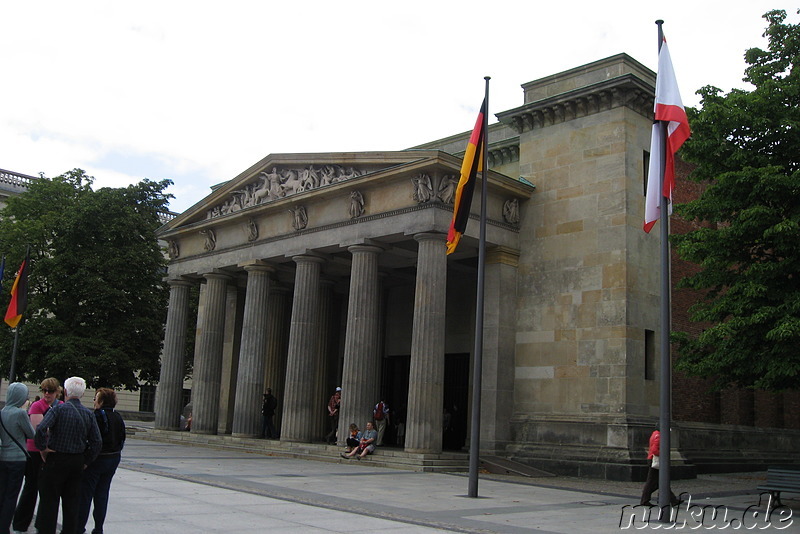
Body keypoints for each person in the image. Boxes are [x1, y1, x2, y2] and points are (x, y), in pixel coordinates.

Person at [34, 376, 102, 534]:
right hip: (77, 460)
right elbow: (97, 441)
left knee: (49, 502)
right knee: (72, 504)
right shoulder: (88, 414)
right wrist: (86, 460)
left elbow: (41, 428)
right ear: (83, 394)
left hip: (56, 458)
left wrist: (42, 448)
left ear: (64, 391)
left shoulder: (58, 409)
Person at [13, 377, 62, 533]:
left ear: (57, 392)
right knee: (31, 488)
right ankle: (20, 525)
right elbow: (39, 431)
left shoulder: (61, 406)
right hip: (35, 452)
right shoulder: (37, 405)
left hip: (52, 453)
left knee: (48, 492)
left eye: (50, 391)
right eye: (44, 390)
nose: (47, 394)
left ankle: (42, 526)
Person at [78, 388, 126, 534]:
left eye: (95, 398)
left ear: (102, 401)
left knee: (86, 495)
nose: (94, 401)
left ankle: (79, 527)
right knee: (102, 494)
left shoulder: (98, 415)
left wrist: (87, 458)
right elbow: (122, 438)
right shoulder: (117, 416)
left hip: (97, 459)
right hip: (113, 458)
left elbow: (92, 438)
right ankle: (98, 527)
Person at [0, 382, 35, 533]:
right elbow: (31, 434)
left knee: (2, 493)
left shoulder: (1, 412)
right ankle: (4, 527)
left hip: (3, 457)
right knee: (12, 495)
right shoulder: (20, 413)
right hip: (18, 459)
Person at [639, 429, 679, 506]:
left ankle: (672, 500)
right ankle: (645, 500)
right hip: (655, 460)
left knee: (660, 481)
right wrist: (664, 454)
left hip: (652, 459)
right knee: (655, 482)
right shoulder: (659, 436)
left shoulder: (654, 434)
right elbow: (655, 450)